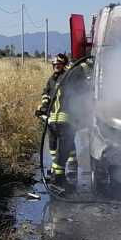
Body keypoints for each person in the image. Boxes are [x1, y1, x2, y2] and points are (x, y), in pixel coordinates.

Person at [36, 54, 75, 183]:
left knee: (63, 148)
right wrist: (42, 107)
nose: (55, 67)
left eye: (58, 64)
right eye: (54, 65)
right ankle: (58, 175)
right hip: (54, 120)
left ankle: (61, 171)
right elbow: (46, 94)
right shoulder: (53, 79)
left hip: (61, 120)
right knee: (58, 148)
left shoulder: (67, 77)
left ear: (64, 65)